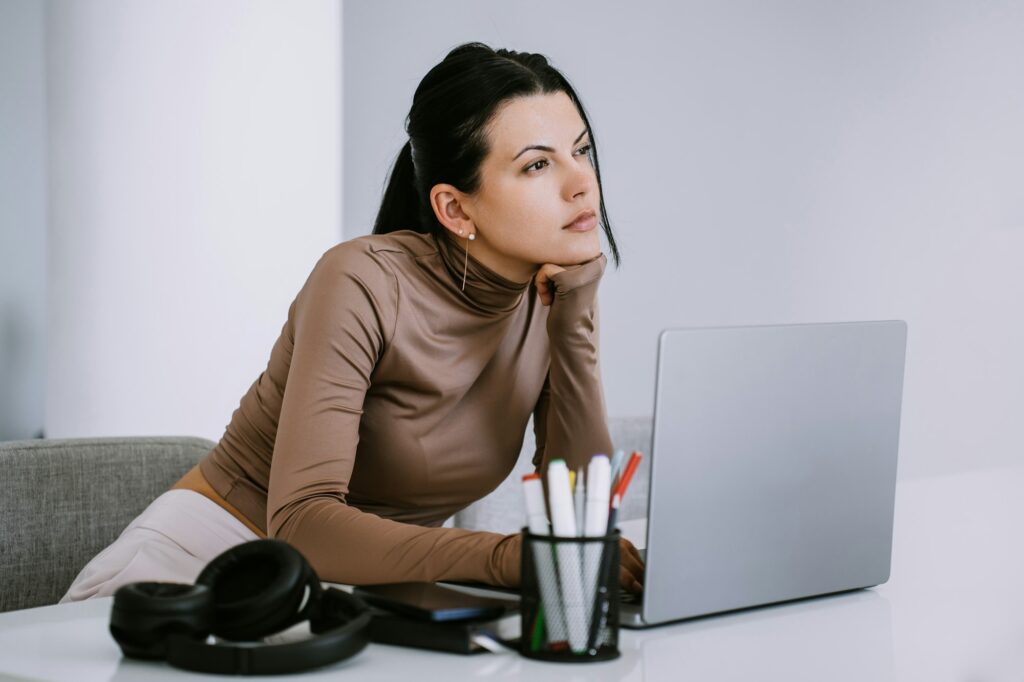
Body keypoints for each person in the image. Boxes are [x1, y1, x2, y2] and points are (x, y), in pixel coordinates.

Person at [61, 41, 645, 602]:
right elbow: (303, 522)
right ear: (454, 208)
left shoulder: (550, 295)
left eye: (582, 150)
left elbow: (578, 507)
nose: (581, 182)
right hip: (208, 573)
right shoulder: (361, 281)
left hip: (358, 596)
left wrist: (573, 327)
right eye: (538, 164)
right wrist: (501, 559)